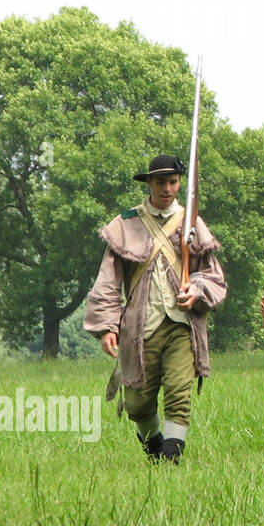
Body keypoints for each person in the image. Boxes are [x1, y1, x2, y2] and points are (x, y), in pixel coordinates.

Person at [84, 154, 226, 465]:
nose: (167, 188)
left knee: (179, 393)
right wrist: (109, 325)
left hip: (182, 324)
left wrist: (197, 288)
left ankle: (172, 459)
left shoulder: (192, 223)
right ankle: (155, 453)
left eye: (173, 182)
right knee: (137, 403)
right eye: (160, 182)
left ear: (179, 184)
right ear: (149, 183)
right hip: (139, 326)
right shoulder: (125, 223)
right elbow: (108, 282)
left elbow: (213, 276)